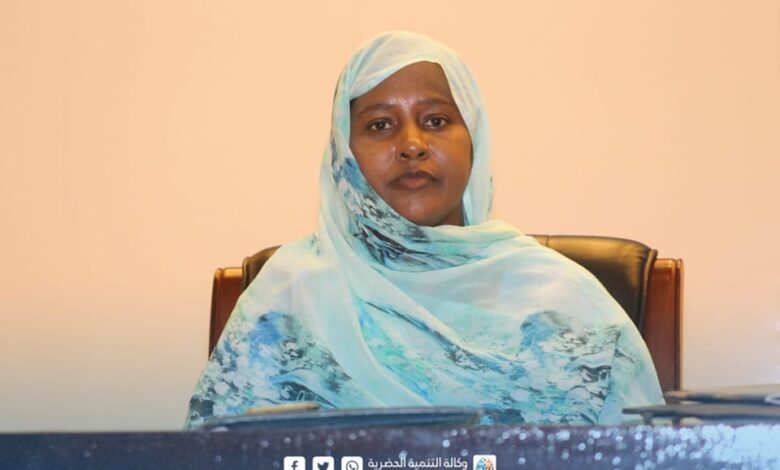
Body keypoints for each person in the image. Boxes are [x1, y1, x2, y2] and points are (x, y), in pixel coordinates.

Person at [184, 31, 663, 429]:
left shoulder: (563, 302)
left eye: (436, 120)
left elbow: (641, 455)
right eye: (379, 125)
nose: (411, 144)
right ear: (343, 154)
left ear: (473, 141)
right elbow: (213, 456)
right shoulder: (289, 295)